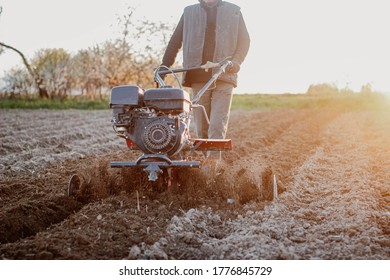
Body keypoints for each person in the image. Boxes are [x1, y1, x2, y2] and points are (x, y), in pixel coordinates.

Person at [161, 0, 250, 162]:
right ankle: (209, 163)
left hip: (224, 74)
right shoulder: (189, 12)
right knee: (202, 127)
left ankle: (212, 167)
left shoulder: (234, 11)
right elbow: (175, 41)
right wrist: (164, 65)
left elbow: (245, 41)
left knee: (216, 125)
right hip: (198, 75)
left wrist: (236, 62)